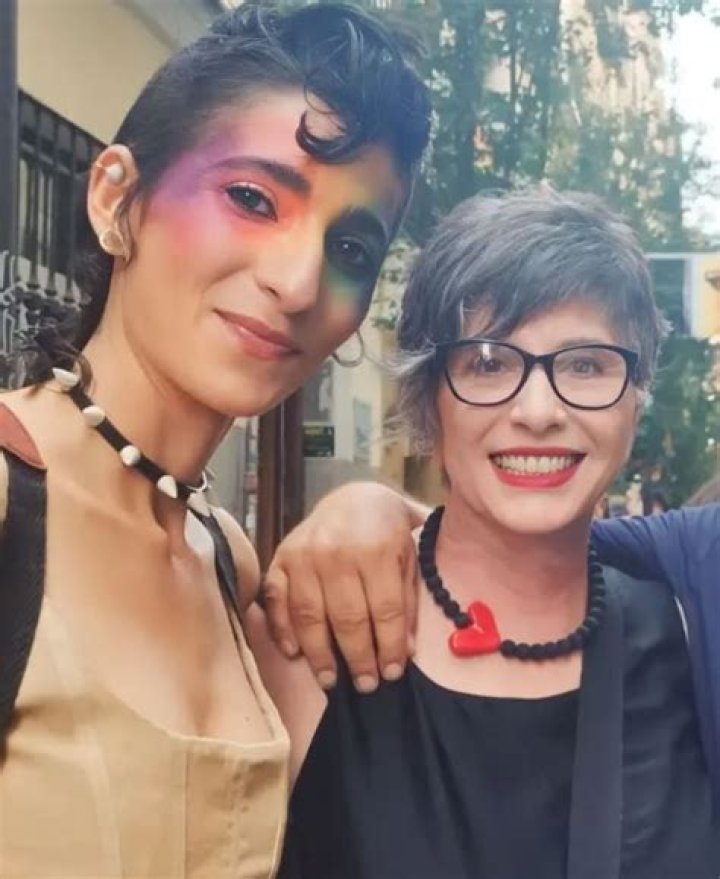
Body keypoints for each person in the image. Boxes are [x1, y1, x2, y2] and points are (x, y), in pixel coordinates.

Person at [0, 4, 430, 877]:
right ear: (116, 198)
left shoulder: (226, 558)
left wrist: (373, 503)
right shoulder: (11, 498)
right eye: (251, 198)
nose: (299, 281)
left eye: (351, 246)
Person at [248, 188, 719, 878]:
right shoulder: (311, 637)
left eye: (586, 364)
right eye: (490, 362)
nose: (539, 410)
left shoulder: (688, 628)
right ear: (428, 397)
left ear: (635, 396)